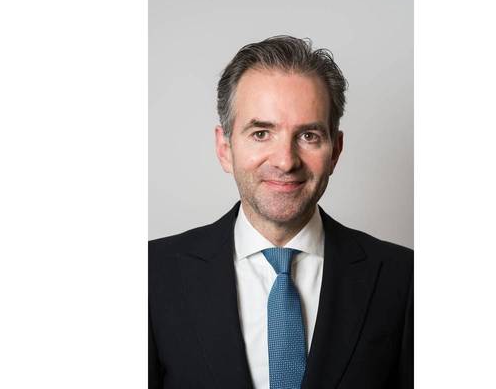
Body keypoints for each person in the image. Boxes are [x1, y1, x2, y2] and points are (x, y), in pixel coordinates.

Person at [149, 35, 413, 389]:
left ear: (335, 151)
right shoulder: (151, 275)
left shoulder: (404, 279)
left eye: (308, 136)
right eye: (261, 133)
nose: (286, 161)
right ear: (225, 148)